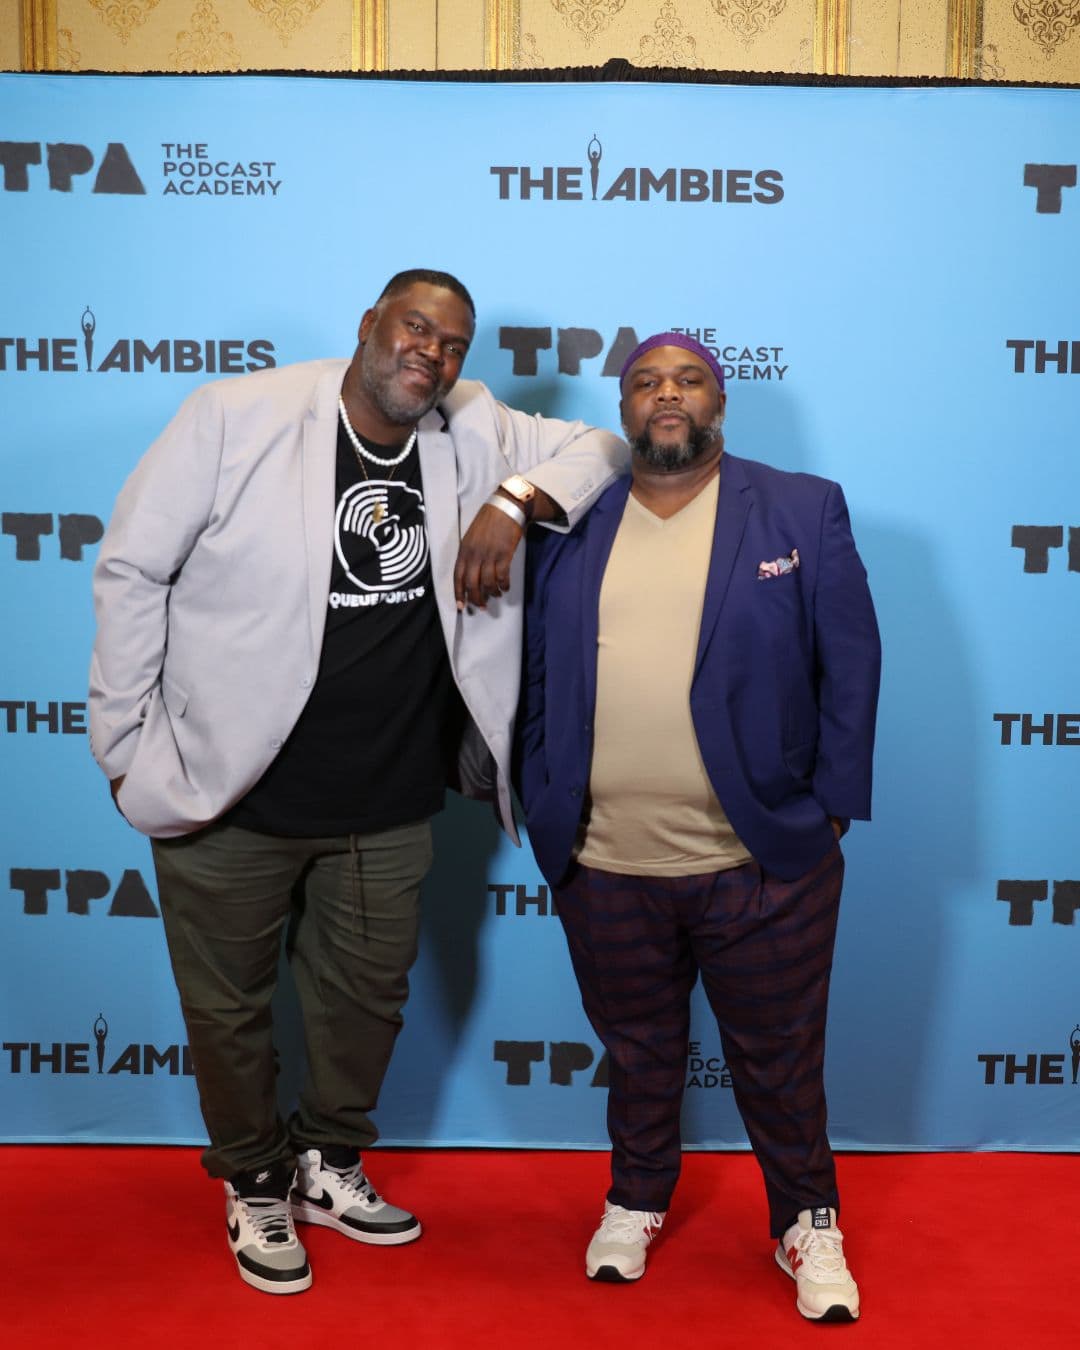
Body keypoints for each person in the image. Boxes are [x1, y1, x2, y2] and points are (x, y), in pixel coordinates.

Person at [88, 269, 625, 1296]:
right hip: (229, 793)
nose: (431, 351)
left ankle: (328, 1163)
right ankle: (252, 1180)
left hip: (386, 798)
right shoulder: (235, 415)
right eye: (414, 327)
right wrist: (124, 746)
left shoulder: (469, 425)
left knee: (365, 1002)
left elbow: (598, 448)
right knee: (229, 1012)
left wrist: (515, 503)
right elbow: (132, 571)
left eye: (454, 342)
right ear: (369, 326)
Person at [516, 332, 880, 1322]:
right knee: (637, 1052)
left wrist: (827, 817)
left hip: (761, 864)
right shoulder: (573, 522)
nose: (665, 396)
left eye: (687, 380)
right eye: (643, 383)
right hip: (604, 862)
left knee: (782, 1060)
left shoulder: (801, 507)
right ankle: (634, 1200)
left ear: (720, 401)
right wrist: (549, 803)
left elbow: (850, 667)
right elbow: (540, 681)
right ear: (622, 408)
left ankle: (809, 1222)